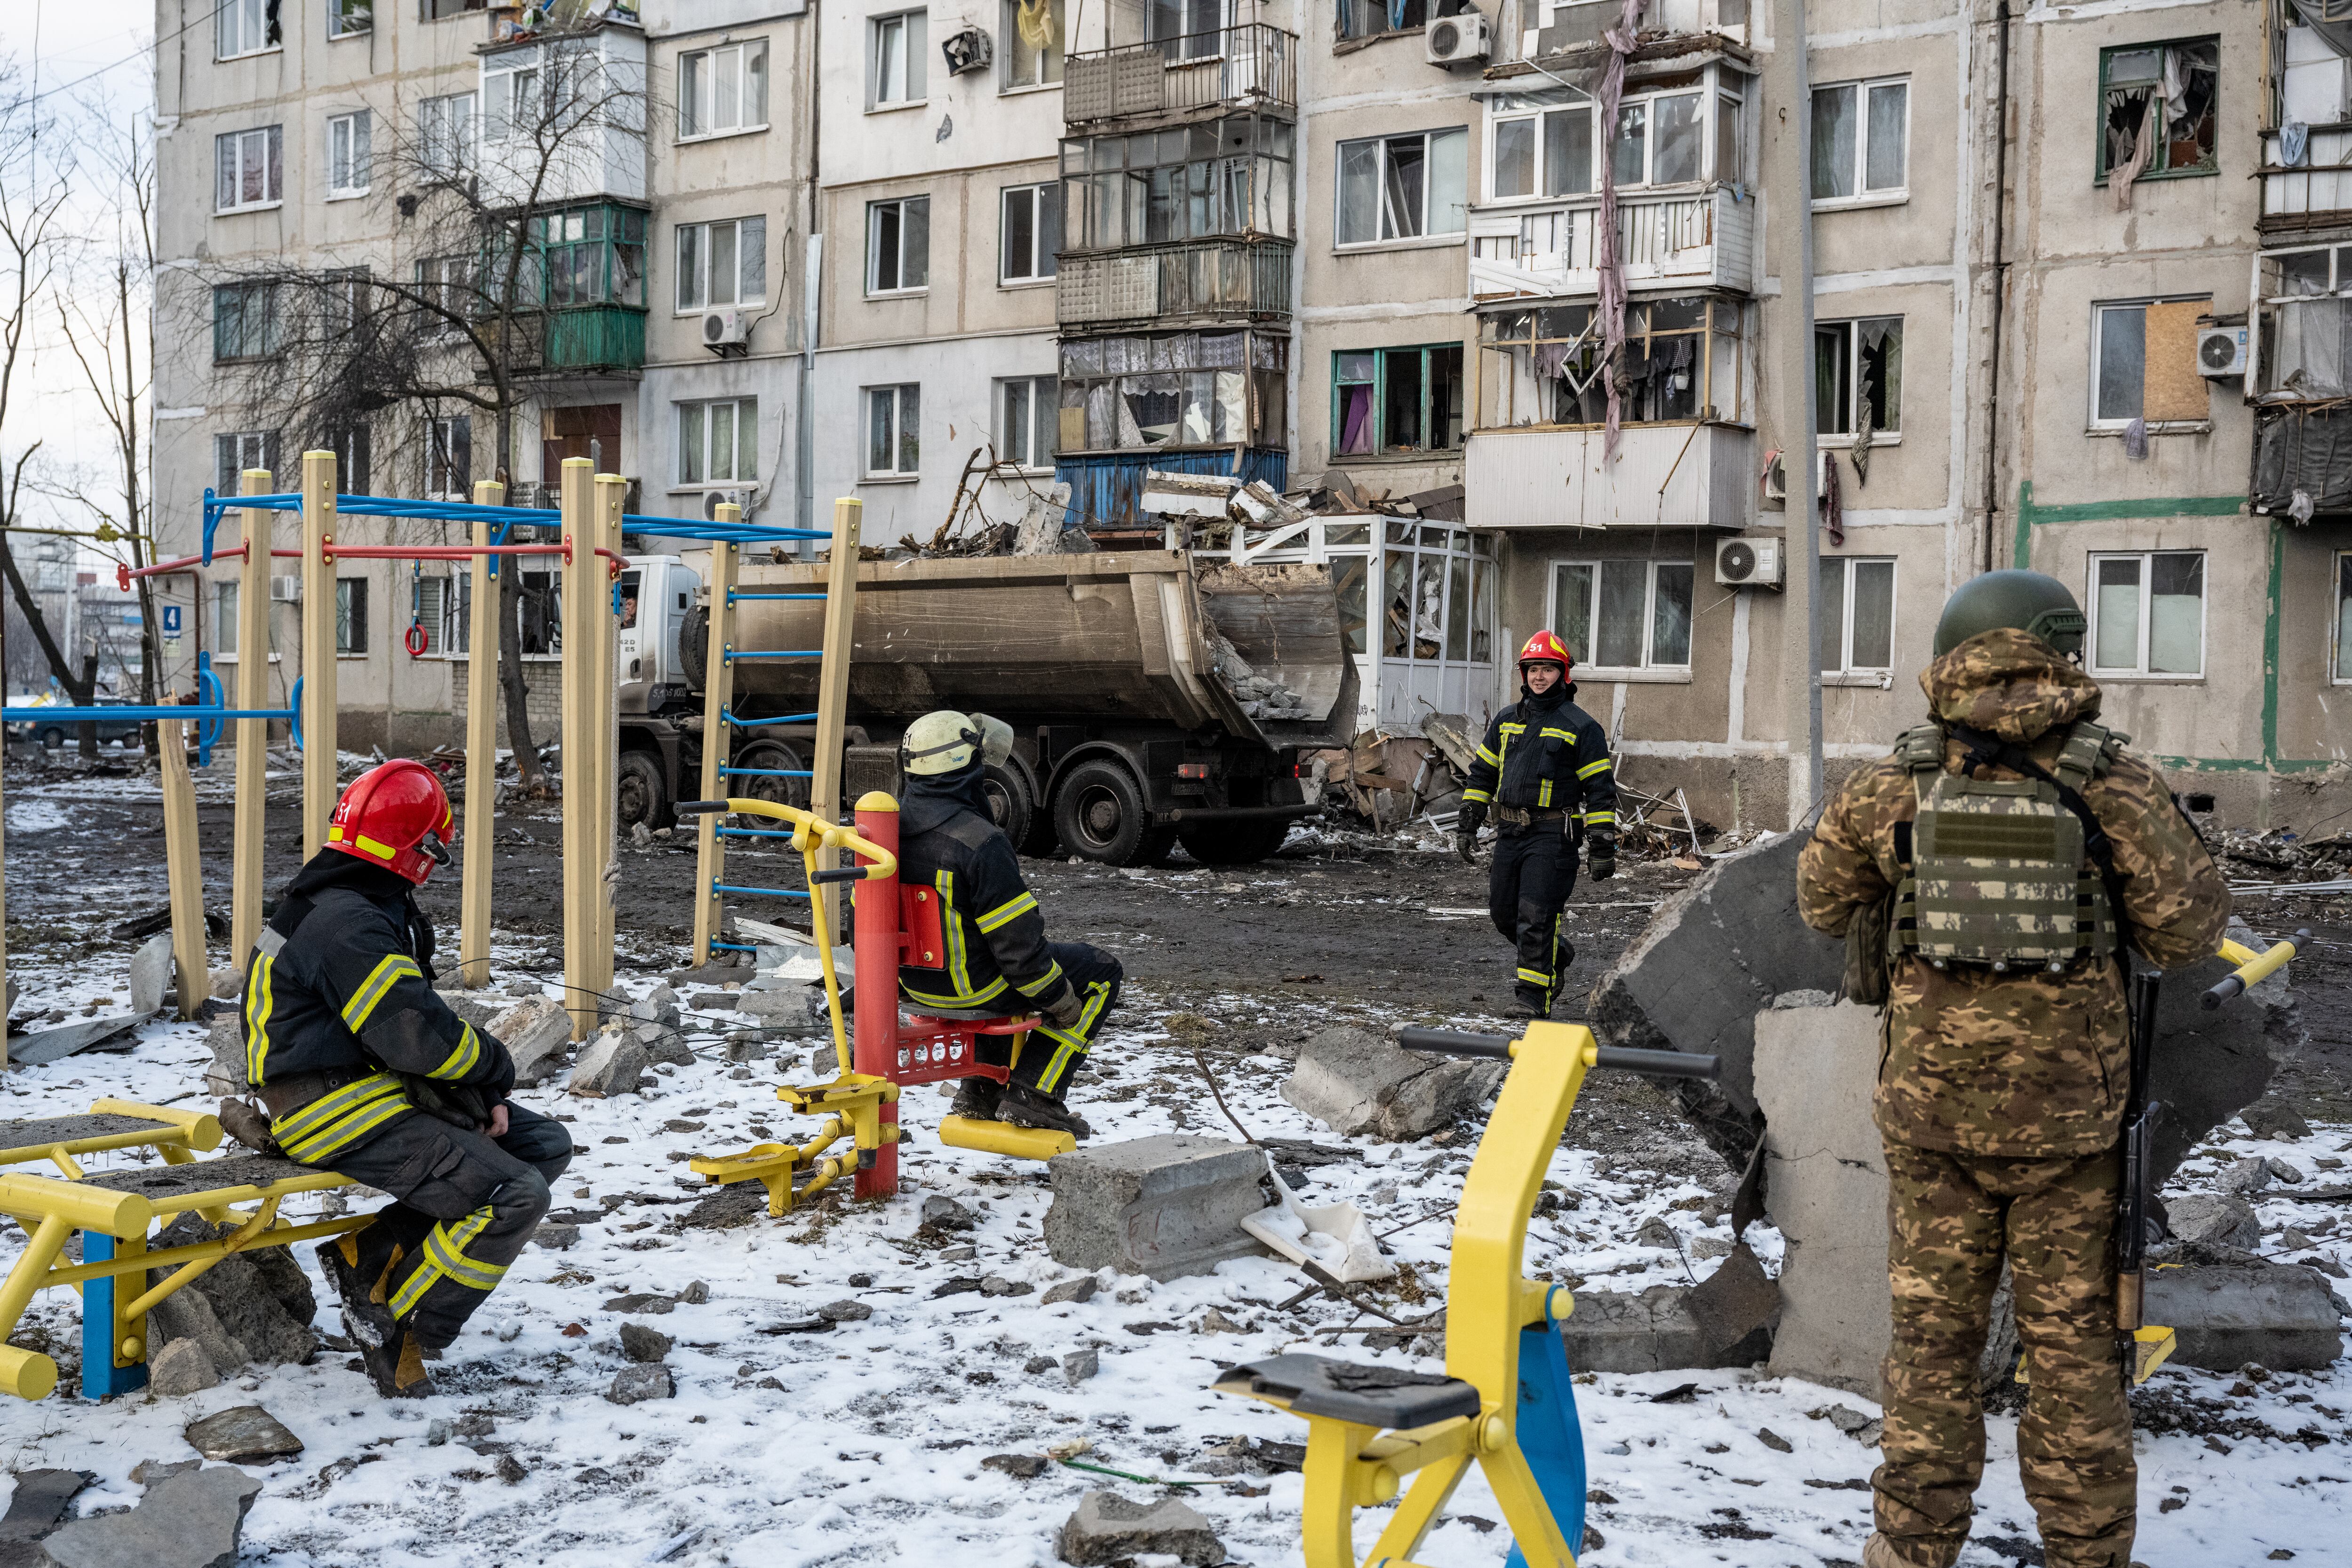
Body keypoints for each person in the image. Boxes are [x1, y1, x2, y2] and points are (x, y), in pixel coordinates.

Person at [1796, 570, 2228, 1568]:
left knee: (1930, 1353)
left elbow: (1820, 902)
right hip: (2069, 1128)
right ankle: (2086, 1556)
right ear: (2049, 648)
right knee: (2074, 1357)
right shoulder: (2109, 780)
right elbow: (2192, 925)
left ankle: (1909, 1550)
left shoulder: (1893, 779)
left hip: (1931, 1117)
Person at [240, 759, 572, 1398]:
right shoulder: (350, 923)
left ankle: (370, 1253)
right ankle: (389, 1311)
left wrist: (477, 1096)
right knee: (516, 1192)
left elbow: (405, 1031)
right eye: (431, 847)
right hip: (325, 1106)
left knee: (542, 1145)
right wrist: (496, 1068)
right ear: (414, 849)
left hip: (362, 1086)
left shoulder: (350, 899)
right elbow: (414, 1037)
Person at [895, 708, 1121, 1138]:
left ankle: (981, 1090)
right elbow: (1020, 952)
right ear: (965, 768)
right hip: (977, 988)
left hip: (916, 985)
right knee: (1102, 972)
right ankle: (1035, 1093)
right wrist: (1060, 999)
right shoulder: (981, 842)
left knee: (984, 955)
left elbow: (858, 930)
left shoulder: (880, 833)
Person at [1455, 631, 1617, 1019]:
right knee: (1503, 912)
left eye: (1548, 669)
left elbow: (1600, 791)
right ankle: (1556, 954)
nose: (1540, 677)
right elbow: (1482, 774)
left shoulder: (1582, 727)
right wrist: (1468, 822)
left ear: (1564, 675)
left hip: (1553, 834)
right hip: (1510, 833)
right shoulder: (1507, 720)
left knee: (1537, 915)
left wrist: (1602, 846)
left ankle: (1531, 998)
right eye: (1533, 669)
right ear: (1524, 674)